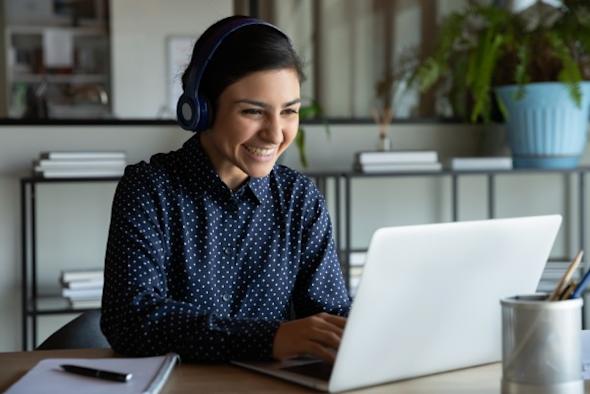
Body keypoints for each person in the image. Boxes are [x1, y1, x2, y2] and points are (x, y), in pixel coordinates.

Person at [100, 15, 351, 363]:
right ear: (201, 109)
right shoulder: (149, 190)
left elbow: (332, 314)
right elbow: (131, 320)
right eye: (253, 112)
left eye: (289, 112)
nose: (276, 134)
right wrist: (270, 339)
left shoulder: (299, 198)